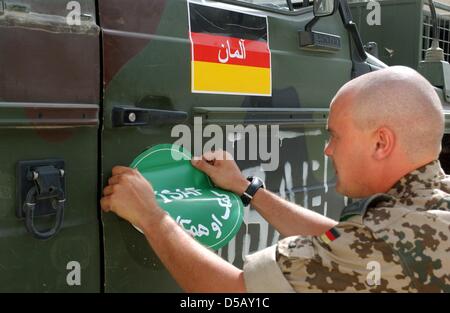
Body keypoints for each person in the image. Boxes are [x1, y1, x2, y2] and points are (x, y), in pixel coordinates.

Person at [100, 66, 450, 292]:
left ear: (380, 142)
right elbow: (340, 238)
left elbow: (234, 293)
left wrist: (151, 215)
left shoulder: (388, 241)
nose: (327, 150)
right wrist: (246, 188)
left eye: (335, 137)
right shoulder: (428, 207)